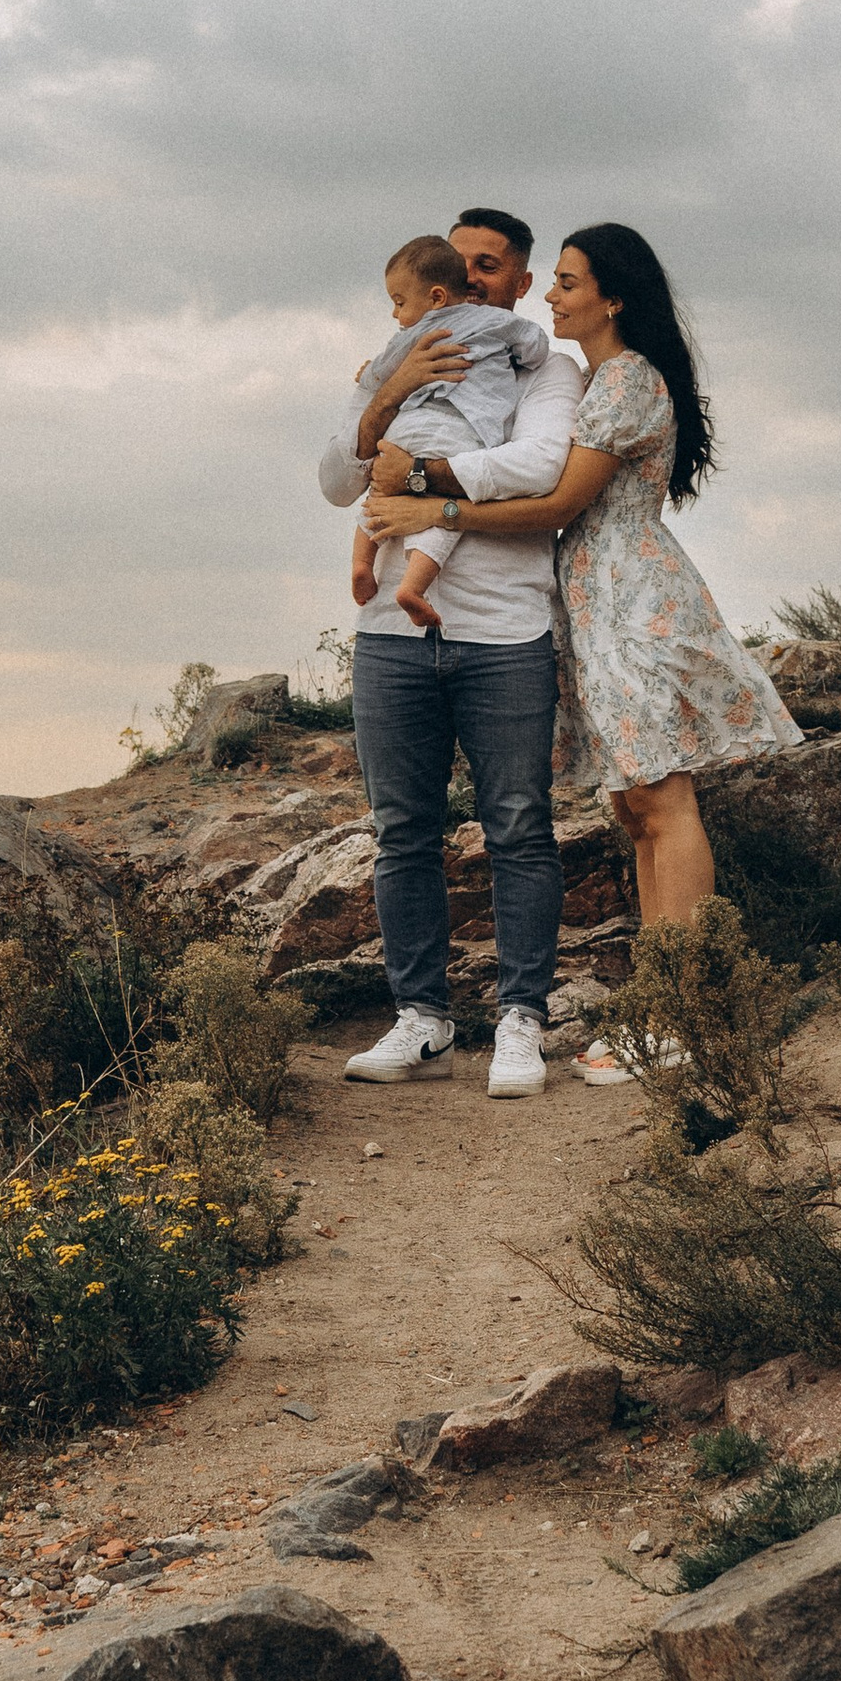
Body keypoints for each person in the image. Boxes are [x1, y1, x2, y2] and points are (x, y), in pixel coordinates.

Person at [360, 220, 799, 1082]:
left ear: (613, 297)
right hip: (600, 604)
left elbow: (559, 504)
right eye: (553, 281)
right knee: (638, 807)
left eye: (566, 281)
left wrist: (432, 508)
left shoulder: (626, 380)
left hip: (634, 602)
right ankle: (665, 1005)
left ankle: (681, 1014)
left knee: (665, 802)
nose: (552, 295)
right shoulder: (600, 379)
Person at [320, 205, 578, 1096]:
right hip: (392, 641)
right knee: (402, 834)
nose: (474, 279)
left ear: (517, 282)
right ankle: (422, 1019)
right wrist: (389, 395)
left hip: (506, 631)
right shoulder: (404, 353)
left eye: (491, 267)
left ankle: (521, 1020)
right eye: (461, 263)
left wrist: (425, 488)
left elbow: (542, 469)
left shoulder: (543, 366)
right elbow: (335, 478)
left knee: (518, 828)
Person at [347, 235, 550, 632]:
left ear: (436, 296)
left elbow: (379, 372)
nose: (395, 313)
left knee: (379, 495)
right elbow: (536, 346)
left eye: (400, 302)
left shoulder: (414, 335)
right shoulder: (497, 322)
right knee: (440, 513)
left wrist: (370, 375)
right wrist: (515, 358)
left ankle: (360, 563)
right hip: (462, 430)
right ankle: (412, 587)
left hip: (408, 425)